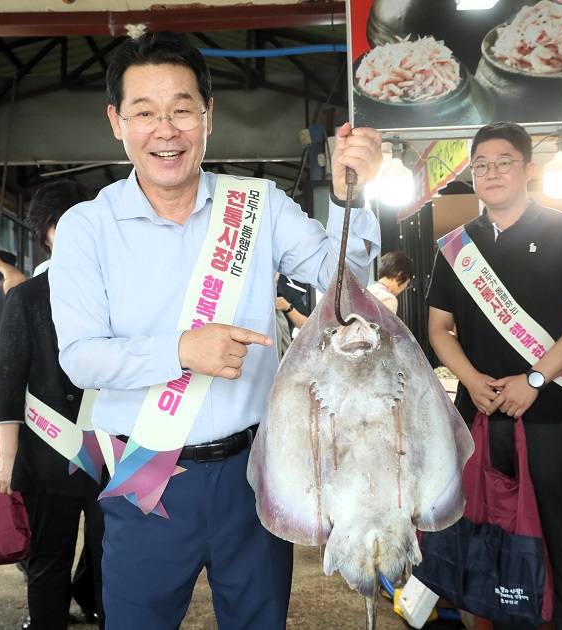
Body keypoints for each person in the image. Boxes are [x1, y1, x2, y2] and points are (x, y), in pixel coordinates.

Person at [47, 31, 383, 630]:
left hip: (255, 472)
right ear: (115, 122)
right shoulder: (87, 226)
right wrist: (182, 351)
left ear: (209, 117)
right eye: (144, 113)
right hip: (146, 472)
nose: (165, 130)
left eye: (181, 109)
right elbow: (80, 357)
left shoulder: (257, 205)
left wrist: (349, 196)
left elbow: (345, 291)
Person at [427, 122, 562, 630]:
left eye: (503, 162)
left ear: (528, 169)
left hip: (547, 416)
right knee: (488, 546)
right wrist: (473, 380)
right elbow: (439, 329)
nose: (491, 173)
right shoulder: (456, 245)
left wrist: (536, 380)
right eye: (481, 165)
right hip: (478, 418)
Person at [0, 180, 104, 630]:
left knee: (113, 557)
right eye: (61, 226)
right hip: (46, 454)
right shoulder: (26, 297)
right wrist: (6, 457)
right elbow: (8, 380)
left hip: (110, 455)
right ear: (47, 235)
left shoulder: (120, 290)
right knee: (47, 561)